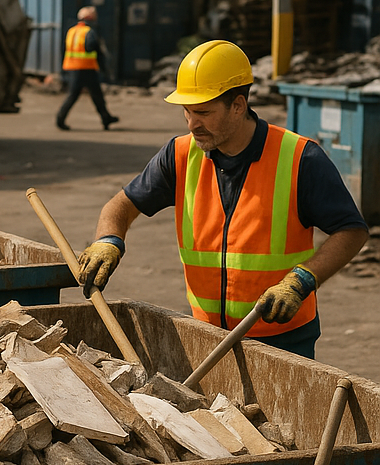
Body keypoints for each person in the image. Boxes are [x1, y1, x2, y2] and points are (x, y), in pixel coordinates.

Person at [75, 40, 368, 358]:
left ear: (238, 105)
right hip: (208, 337)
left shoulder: (299, 158)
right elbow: (121, 205)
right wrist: (108, 239)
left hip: (281, 340)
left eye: (203, 112)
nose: (192, 124)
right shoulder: (180, 155)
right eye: (186, 112)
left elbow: (351, 231)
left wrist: (301, 280)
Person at [56, 5, 119, 131]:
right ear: (90, 18)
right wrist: (104, 68)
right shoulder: (89, 32)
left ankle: (105, 117)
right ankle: (60, 119)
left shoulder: (72, 31)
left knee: (90, 95)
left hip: (73, 68)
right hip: (87, 68)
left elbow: (64, 49)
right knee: (88, 95)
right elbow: (92, 48)